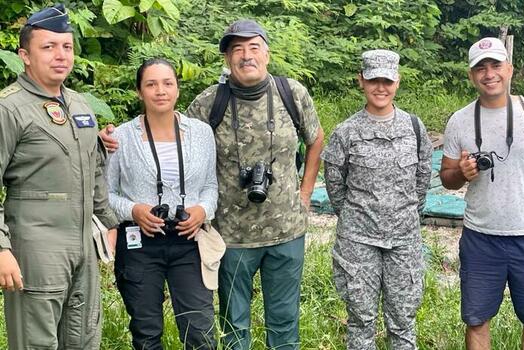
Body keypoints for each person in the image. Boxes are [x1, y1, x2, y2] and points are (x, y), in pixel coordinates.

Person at [101, 19, 324, 350]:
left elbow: (316, 139)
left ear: (267, 52)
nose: (246, 56)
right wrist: (107, 138)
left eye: (253, 47)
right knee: (232, 325)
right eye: (237, 50)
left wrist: (305, 194)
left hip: (286, 230)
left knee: (283, 322)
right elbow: (165, 136)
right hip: (230, 234)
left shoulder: (293, 93)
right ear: (227, 59)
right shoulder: (208, 103)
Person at [0, 4, 119, 349]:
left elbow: (93, 166)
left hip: (82, 246)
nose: (60, 55)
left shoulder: (80, 105)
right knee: (37, 342)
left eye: (66, 46)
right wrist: (2, 248)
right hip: (36, 247)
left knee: (83, 338)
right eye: (48, 47)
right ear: (24, 55)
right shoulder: (9, 108)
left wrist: (107, 222)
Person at [440, 37, 524, 349]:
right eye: (480, 68)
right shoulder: (459, 120)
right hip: (480, 237)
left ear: (509, 69)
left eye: (495, 65)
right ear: (471, 76)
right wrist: (461, 172)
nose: (489, 73)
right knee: (477, 319)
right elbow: (446, 178)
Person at [105, 58, 220, 349]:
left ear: (178, 89)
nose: (160, 91)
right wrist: (134, 210)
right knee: (146, 330)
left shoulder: (201, 133)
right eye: (151, 84)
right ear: (139, 92)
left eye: (168, 83)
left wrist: (202, 210)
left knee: (200, 329)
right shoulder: (120, 137)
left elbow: (210, 186)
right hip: (139, 243)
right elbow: (105, 194)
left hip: (189, 240)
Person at [321, 49, 432, 350]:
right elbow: (335, 185)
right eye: (373, 80)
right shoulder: (346, 131)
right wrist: (357, 219)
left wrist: (405, 214)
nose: (380, 88)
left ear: (398, 81)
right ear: (361, 81)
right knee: (360, 320)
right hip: (358, 241)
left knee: (404, 322)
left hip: (404, 240)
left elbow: (422, 178)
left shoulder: (414, 128)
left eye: (387, 80)